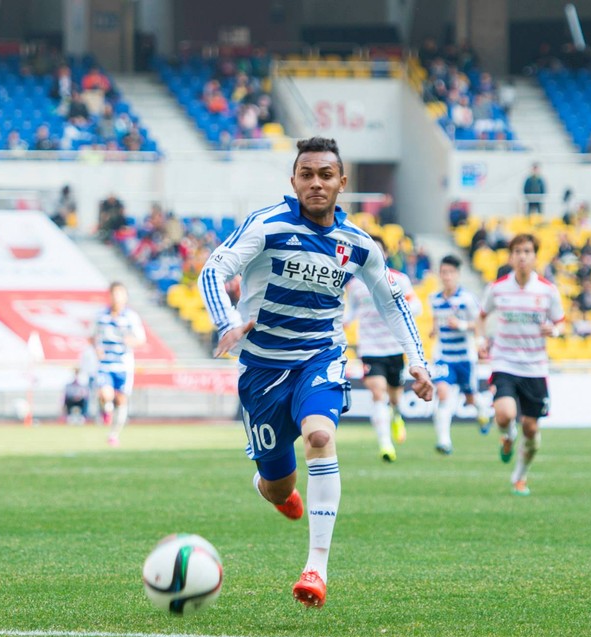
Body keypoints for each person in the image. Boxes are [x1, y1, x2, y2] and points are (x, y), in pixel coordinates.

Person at [198, 137, 432, 609]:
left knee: (320, 438)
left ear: (342, 183)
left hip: (320, 358)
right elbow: (212, 270)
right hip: (261, 370)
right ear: (294, 181)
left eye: (326, 175)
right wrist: (226, 321)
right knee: (277, 485)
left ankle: (316, 568)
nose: (316, 183)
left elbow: (392, 302)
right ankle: (275, 488)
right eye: (307, 174)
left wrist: (417, 360)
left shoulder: (359, 245)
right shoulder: (266, 225)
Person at [476, 234, 565, 496]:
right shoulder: (497, 288)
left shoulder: (548, 291)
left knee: (532, 429)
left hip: (535, 368)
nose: (522, 256)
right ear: (511, 256)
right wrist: (481, 339)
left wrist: (555, 331)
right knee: (504, 414)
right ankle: (507, 435)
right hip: (504, 362)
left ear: (535, 256)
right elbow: (481, 317)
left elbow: (560, 322)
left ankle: (520, 475)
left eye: (527, 251)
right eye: (517, 251)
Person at [345, 234, 423, 462]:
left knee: (395, 398)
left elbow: (416, 305)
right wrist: (346, 320)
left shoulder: (398, 280)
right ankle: (386, 445)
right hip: (369, 347)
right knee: (378, 393)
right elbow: (353, 310)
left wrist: (399, 307)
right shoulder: (355, 284)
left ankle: (397, 416)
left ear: (385, 254)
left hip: (394, 347)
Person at [429, 255, 491, 455]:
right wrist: (433, 330)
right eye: (443, 272)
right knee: (443, 393)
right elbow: (436, 322)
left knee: (470, 398)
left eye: (450, 273)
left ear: (457, 274)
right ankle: (444, 441)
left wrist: (462, 325)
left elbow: (480, 324)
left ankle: (483, 412)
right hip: (443, 355)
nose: (446, 276)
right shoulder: (435, 299)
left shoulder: (467, 299)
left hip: (464, 357)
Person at [92, 281, 146, 446]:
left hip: (124, 364)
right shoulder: (101, 316)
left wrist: (132, 341)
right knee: (105, 394)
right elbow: (92, 336)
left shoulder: (130, 317)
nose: (117, 297)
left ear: (125, 297)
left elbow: (141, 339)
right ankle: (106, 410)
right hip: (106, 363)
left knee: (121, 400)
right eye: (114, 294)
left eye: (120, 294)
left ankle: (114, 434)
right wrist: (97, 348)